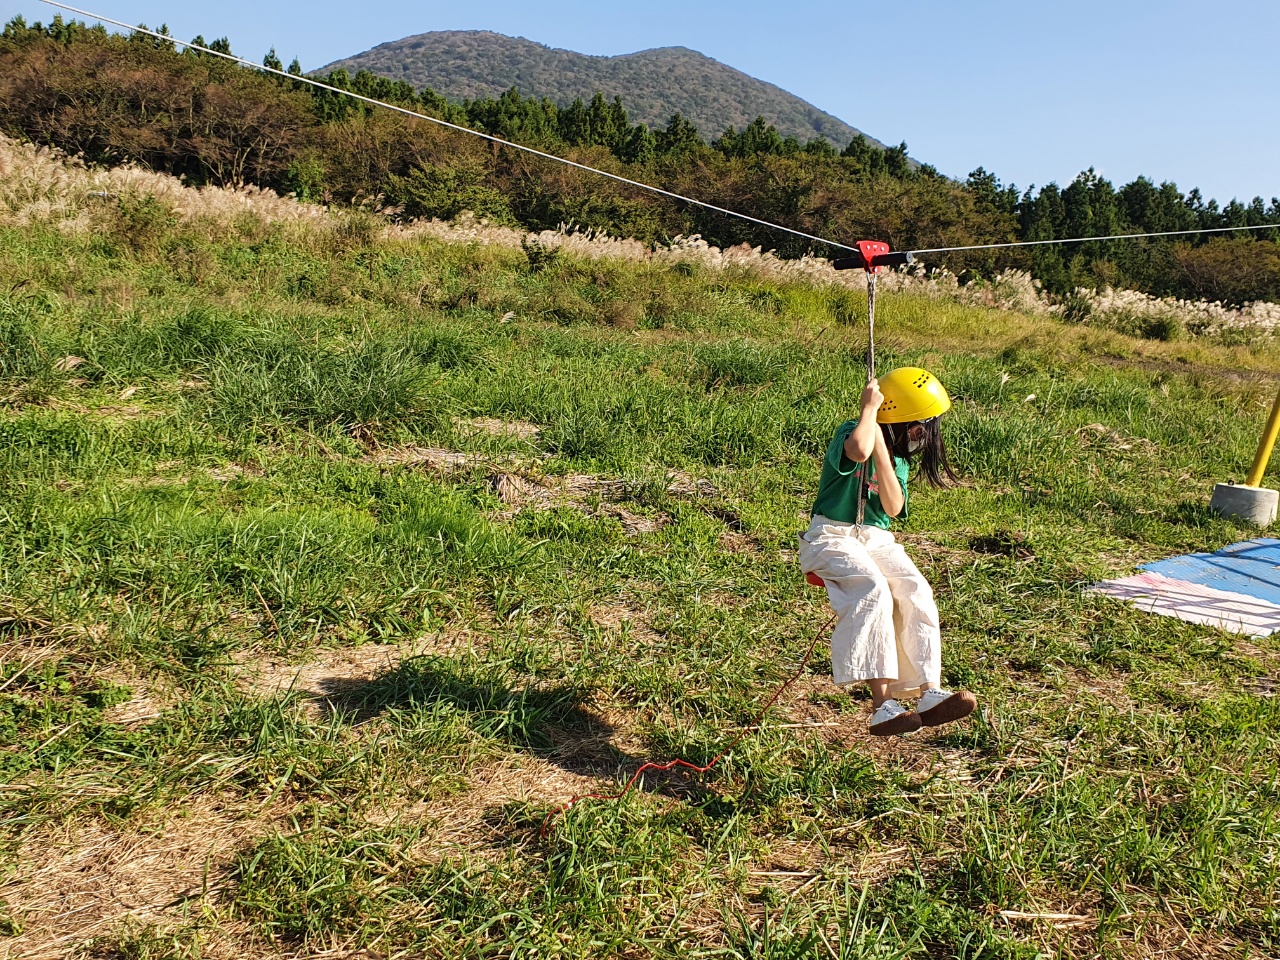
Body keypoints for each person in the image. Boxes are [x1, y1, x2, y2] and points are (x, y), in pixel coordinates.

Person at [799, 367, 977, 736]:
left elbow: (893, 508)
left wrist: (884, 450)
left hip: (876, 537)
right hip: (833, 535)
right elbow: (860, 448)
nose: (922, 435)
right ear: (894, 417)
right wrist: (869, 412)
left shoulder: (898, 461)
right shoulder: (852, 430)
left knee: (916, 590)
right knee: (874, 590)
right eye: (917, 426)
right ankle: (882, 706)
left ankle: (929, 691)